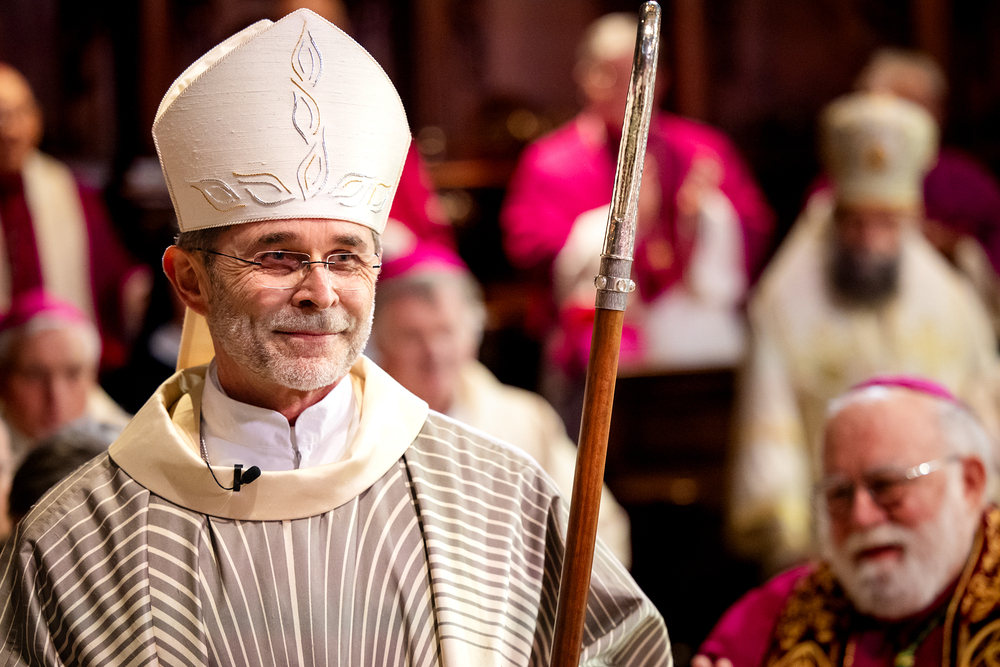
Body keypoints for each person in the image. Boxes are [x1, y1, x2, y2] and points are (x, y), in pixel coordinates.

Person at [0, 11, 669, 665]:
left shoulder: (500, 498)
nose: (320, 293)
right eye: (277, 256)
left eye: (346, 257)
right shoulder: (73, 543)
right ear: (190, 282)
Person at [731, 92, 1000, 571]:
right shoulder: (785, 304)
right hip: (835, 544)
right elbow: (771, 439)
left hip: (939, 546)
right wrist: (792, 553)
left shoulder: (951, 302)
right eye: (856, 223)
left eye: (886, 224)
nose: (870, 242)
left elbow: (983, 424)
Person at [694, 376, 998, 667]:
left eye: (886, 486)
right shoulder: (769, 621)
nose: (861, 517)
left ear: (969, 483)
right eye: (839, 493)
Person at [370, 239, 633, 566]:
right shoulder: (365, 427)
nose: (433, 353)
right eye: (412, 336)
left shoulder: (524, 420)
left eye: (445, 332)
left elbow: (597, 527)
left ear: (473, 334)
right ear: (379, 341)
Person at [0, 63, 150, 369]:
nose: (11, 131)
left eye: (20, 114)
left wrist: (142, 288)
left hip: (62, 361)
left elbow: (113, 275)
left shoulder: (72, 192)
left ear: (37, 119)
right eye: (2, 116)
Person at [0, 289, 129, 465]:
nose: (56, 396)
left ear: (92, 377)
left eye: (72, 373)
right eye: (35, 375)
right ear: (4, 379)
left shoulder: (126, 448)